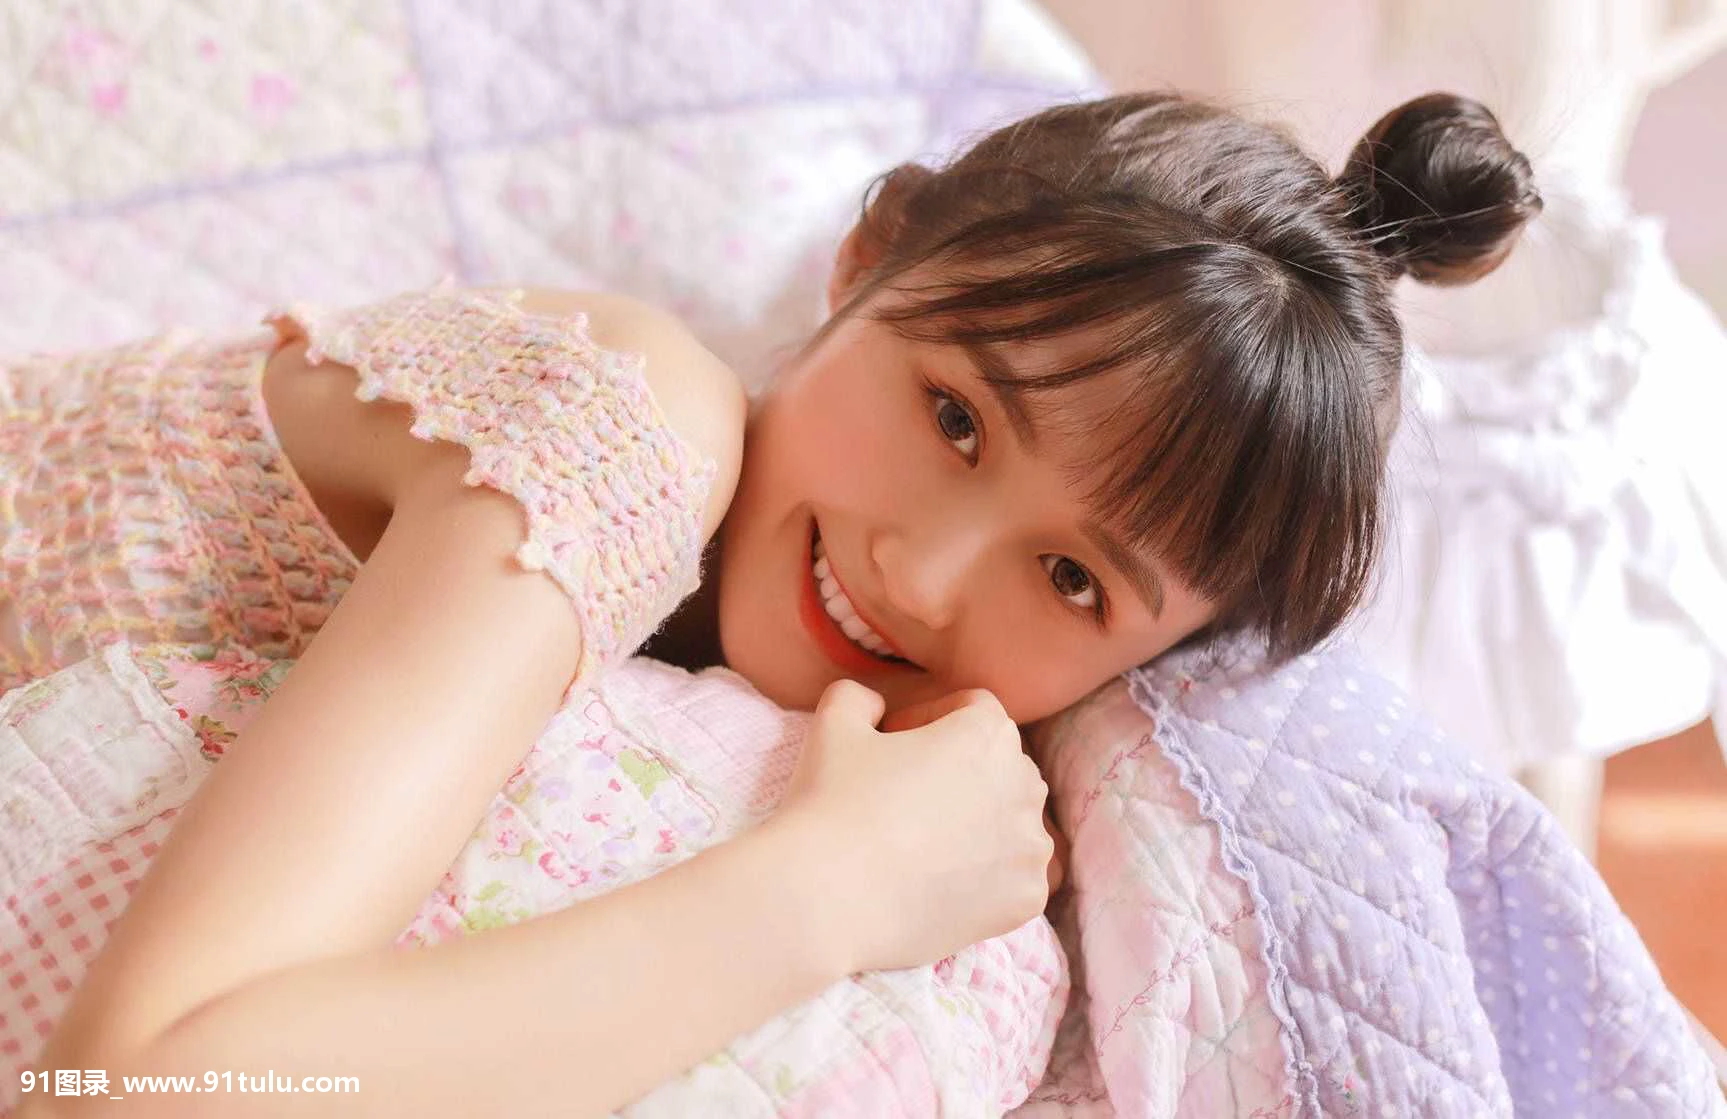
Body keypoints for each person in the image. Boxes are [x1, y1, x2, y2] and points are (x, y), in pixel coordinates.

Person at [3, 88, 1539, 1116]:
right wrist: (823, 892)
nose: (921, 576)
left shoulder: (726, 726)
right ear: (860, 265)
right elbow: (131, 1087)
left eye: (1072, 579)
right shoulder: (630, 422)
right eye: (954, 417)